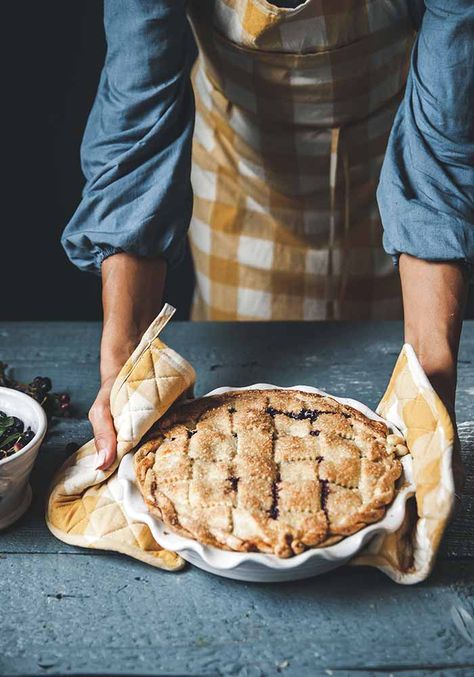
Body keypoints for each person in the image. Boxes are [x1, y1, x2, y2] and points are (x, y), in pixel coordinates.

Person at [62, 1, 473, 471]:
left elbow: (444, 140)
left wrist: (431, 378)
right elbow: (137, 124)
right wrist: (125, 356)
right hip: (244, 183)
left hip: (396, 186)